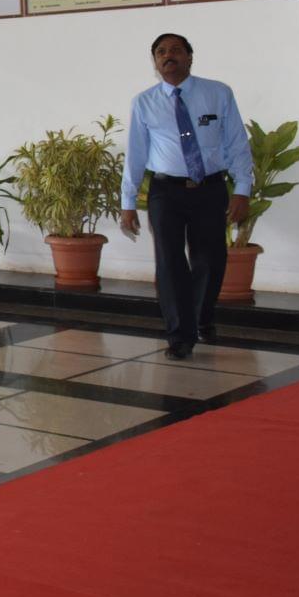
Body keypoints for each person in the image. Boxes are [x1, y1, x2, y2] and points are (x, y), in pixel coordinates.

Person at [118, 33, 253, 359]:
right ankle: (180, 336)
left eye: (176, 50)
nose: (168, 56)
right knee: (170, 262)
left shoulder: (218, 93)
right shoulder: (144, 102)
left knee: (210, 260)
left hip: (210, 188)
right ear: (155, 62)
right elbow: (136, 155)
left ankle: (200, 318)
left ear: (189, 57)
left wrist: (242, 190)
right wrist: (127, 202)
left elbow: (237, 143)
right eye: (161, 52)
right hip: (166, 192)